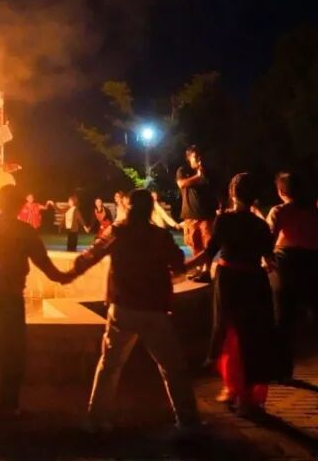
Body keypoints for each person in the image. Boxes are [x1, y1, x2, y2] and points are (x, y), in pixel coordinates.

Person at [67, 189, 199, 433]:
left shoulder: (117, 232)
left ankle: (97, 419)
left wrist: (68, 275)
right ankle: (188, 421)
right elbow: (178, 263)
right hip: (154, 310)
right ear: (149, 209)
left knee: (110, 365)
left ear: (128, 207)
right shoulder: (159, 236)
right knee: (172, 368)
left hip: (123, 308)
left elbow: (90, 255)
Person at [0, 185, 73, 421]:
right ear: (19, 205)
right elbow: (43, 262)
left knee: (3, 344)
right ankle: (3, 403)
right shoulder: (24, 231)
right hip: (9, 295)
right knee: (14, 348)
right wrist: (64, 276)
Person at [184, 174, 277, 416]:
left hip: (230, 281)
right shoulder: (260, 225)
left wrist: (182, 268)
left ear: (232, 193)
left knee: (230, 335)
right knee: (253, 336)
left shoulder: (224, 220)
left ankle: (235, 389)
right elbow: (269, 260)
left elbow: (209, 252)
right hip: (255, 281)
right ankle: (246, 395)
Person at [266, 172, 318, 385]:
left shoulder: (279, 211)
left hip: (286, 264)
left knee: (284, 321)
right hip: (312, 264)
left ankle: (283, 372)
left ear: (281, 191)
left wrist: (265, 260)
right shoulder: (313, 213)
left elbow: (268, 239)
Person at [176, 146, 218, 283]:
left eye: (200, 156)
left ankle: (206, 271)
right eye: (195, 156)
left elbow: (214, 191)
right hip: (190, 214)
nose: (199, 159)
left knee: (207, 244)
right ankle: (199, 270)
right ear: (188, 158)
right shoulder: (183, 170)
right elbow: (181, 184)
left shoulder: (208, 172)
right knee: (194, 244)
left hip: (207, 215)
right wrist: (198, 176)